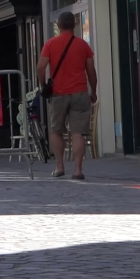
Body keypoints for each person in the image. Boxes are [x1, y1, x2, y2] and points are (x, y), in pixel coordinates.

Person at [37, 11, 97, 180]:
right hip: (80, 92)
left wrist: (43, 85)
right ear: (75, 25)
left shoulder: (50, 44)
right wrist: (93, 91)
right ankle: (77, 170)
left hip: (58, 93)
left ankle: (59, 167)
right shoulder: (83, 45)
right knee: (78, 133)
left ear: (58, 25)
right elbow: (91, 72)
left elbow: (41, 67)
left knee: (56, 131)